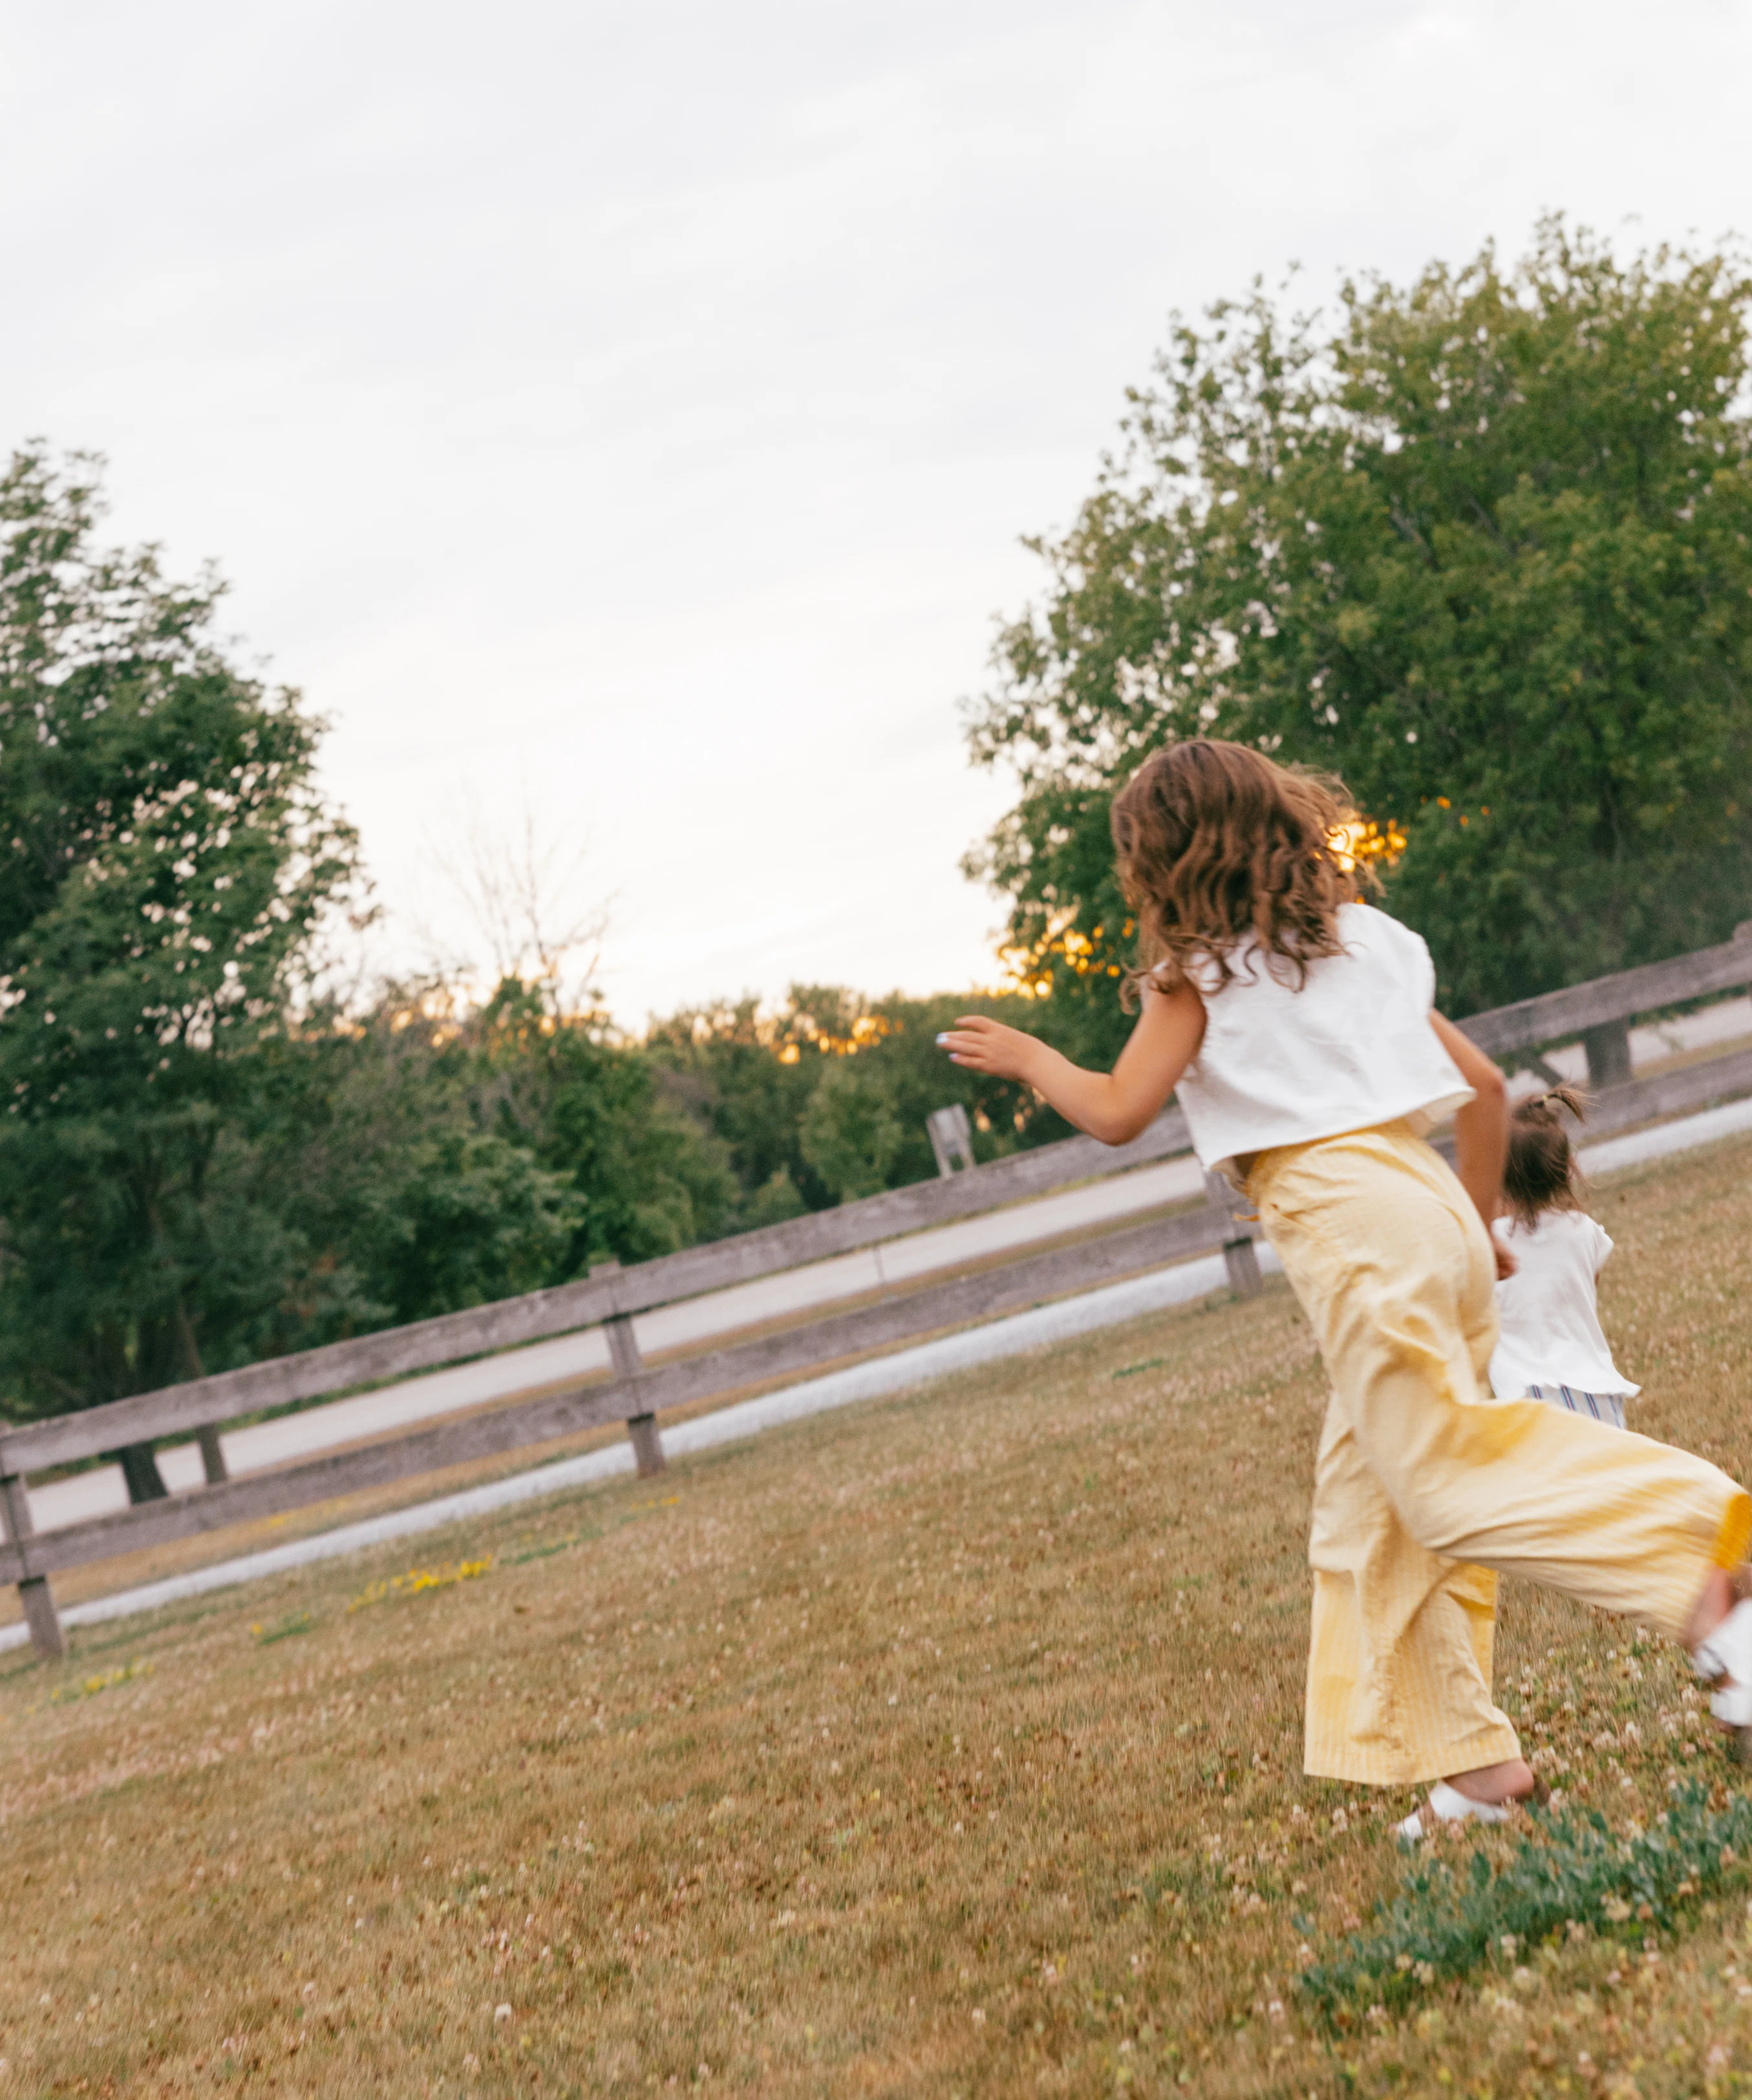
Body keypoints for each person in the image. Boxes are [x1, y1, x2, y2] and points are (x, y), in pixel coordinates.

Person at [939, 738, 1752, 1831]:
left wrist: (1031, 1058)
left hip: (1357, 1230)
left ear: (1164, 865)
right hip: (1429, 1206)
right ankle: (1473, 1765)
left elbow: (1119, 1110)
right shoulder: (1359, 940)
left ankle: (1715, 1566)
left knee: (1441, 1476)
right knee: (1367, 1512)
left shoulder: (1199, 976)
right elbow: (1483, 1086)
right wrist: (1473, 1225)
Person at [1490, 1086, 1638, 1431]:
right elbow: (1588, 1283)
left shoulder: (1491, 1244)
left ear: (1501, 1175)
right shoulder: (1585, 1232)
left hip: (1524, 1402)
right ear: (1567, 1168)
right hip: (1596, 1394)